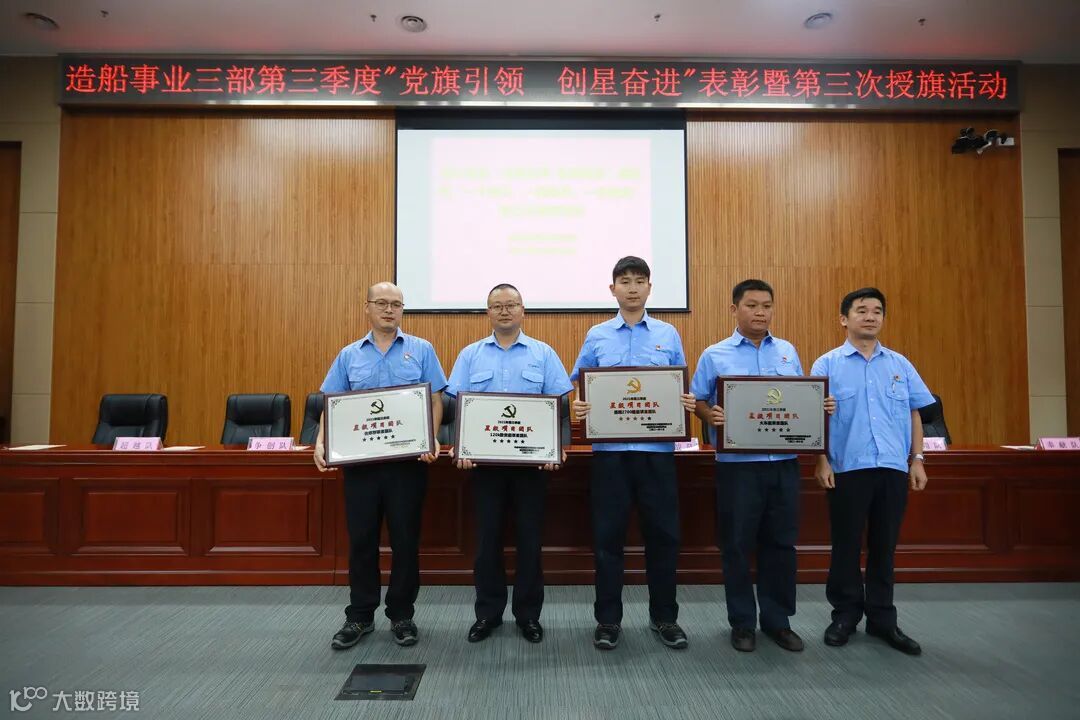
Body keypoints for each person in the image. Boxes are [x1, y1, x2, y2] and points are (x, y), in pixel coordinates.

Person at [691, 279, 835, 653]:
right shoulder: (715, 354)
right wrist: (710, 414)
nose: (760, 312)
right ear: (734, 309)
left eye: (766, 306)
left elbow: (800, 400)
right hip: (738, 466)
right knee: (737, 544)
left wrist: (820, 406)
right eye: (751, 305)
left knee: (781, 543)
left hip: (783, 463)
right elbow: (699, 401)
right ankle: (742, 623)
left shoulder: (787, 352)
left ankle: (778, 621)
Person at [571, 256, 697, 651]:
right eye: (624, 281)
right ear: (612, 289)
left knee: (663, 537)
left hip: (656, 454)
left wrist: (683, 401)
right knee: (608, 540)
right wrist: (580, 404)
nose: (632, 287)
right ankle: (608, 620)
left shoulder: (668, 334)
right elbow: (581, 384)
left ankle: (665, 618)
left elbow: (678, 384)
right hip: (610, 455)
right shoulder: (597, 335)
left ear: (649, 288)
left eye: (639, 281)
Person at [314, 282, 447, 649]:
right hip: (361, 467)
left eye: (396, 304)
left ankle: (402, 614)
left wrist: (432, 436)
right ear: (367, 307)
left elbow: (436, 400)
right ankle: (359, 615)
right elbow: (331, 403)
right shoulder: (349, 355)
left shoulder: (421, 349)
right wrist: (321, 441)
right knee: (362, 540)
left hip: (407, 465)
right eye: (382, 303)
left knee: (405, 541)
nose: (389, 310)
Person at [446, 283, 572, 644]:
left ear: (523, 310)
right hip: (485, 467)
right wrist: (460, 448)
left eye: (511, 305)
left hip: (531, 467)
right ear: (488, 312)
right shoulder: (470, 355)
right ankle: (488, 613)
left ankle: (528, 615)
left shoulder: (543, 353)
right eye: (497, 306)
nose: (504, 311)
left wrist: (558, 448)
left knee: (530, 541)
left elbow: (560, 407)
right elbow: (456, 407)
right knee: (487, 542)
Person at [811, 287, 934, 656]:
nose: (870, 316)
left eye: (877, 311)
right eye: (861, 310)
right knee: (845, 546)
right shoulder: (827, 365)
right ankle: (845, 615)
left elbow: (914, 413)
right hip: (847, 468)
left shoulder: (900, 364)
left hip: (892, 467)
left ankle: (882, 619)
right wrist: (821, 459)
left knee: (885, 546)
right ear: (844, 319)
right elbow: (814, 418)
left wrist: (917, 459)